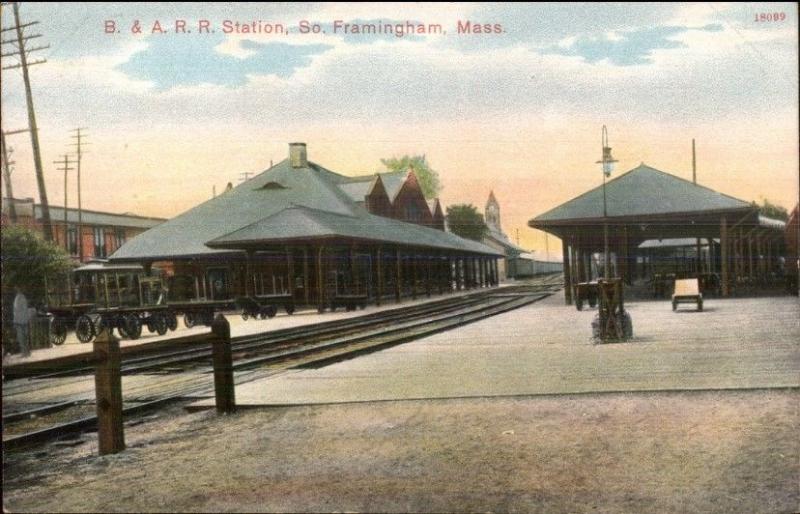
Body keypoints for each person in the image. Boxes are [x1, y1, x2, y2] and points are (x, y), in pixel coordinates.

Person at [13, 286, 32, 357]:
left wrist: (15, 321)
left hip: (20, 321)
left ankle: (25, 352)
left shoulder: (19, 298)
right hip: (23, 320)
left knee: (21, 337)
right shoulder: (22, 298)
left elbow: (16, 311)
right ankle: (26, 352)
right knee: (25, 337)